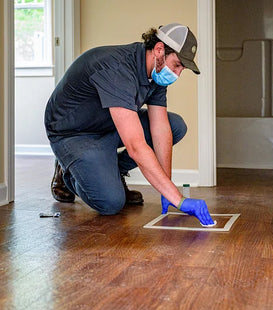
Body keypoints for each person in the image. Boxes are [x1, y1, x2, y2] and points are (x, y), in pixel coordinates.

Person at [44, 23, 215, 226]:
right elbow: (135, 146)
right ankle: (70, 171)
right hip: (74, 134)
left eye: (182, 69)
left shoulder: (157, 75)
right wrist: (179, 199)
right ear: (159, 50)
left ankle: (106, 168)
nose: (177, 74)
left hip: (109, 125)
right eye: (177, 64)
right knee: (111, 203)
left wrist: (167, 190)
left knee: (175, 125)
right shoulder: (118, 69)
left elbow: (160, 128)